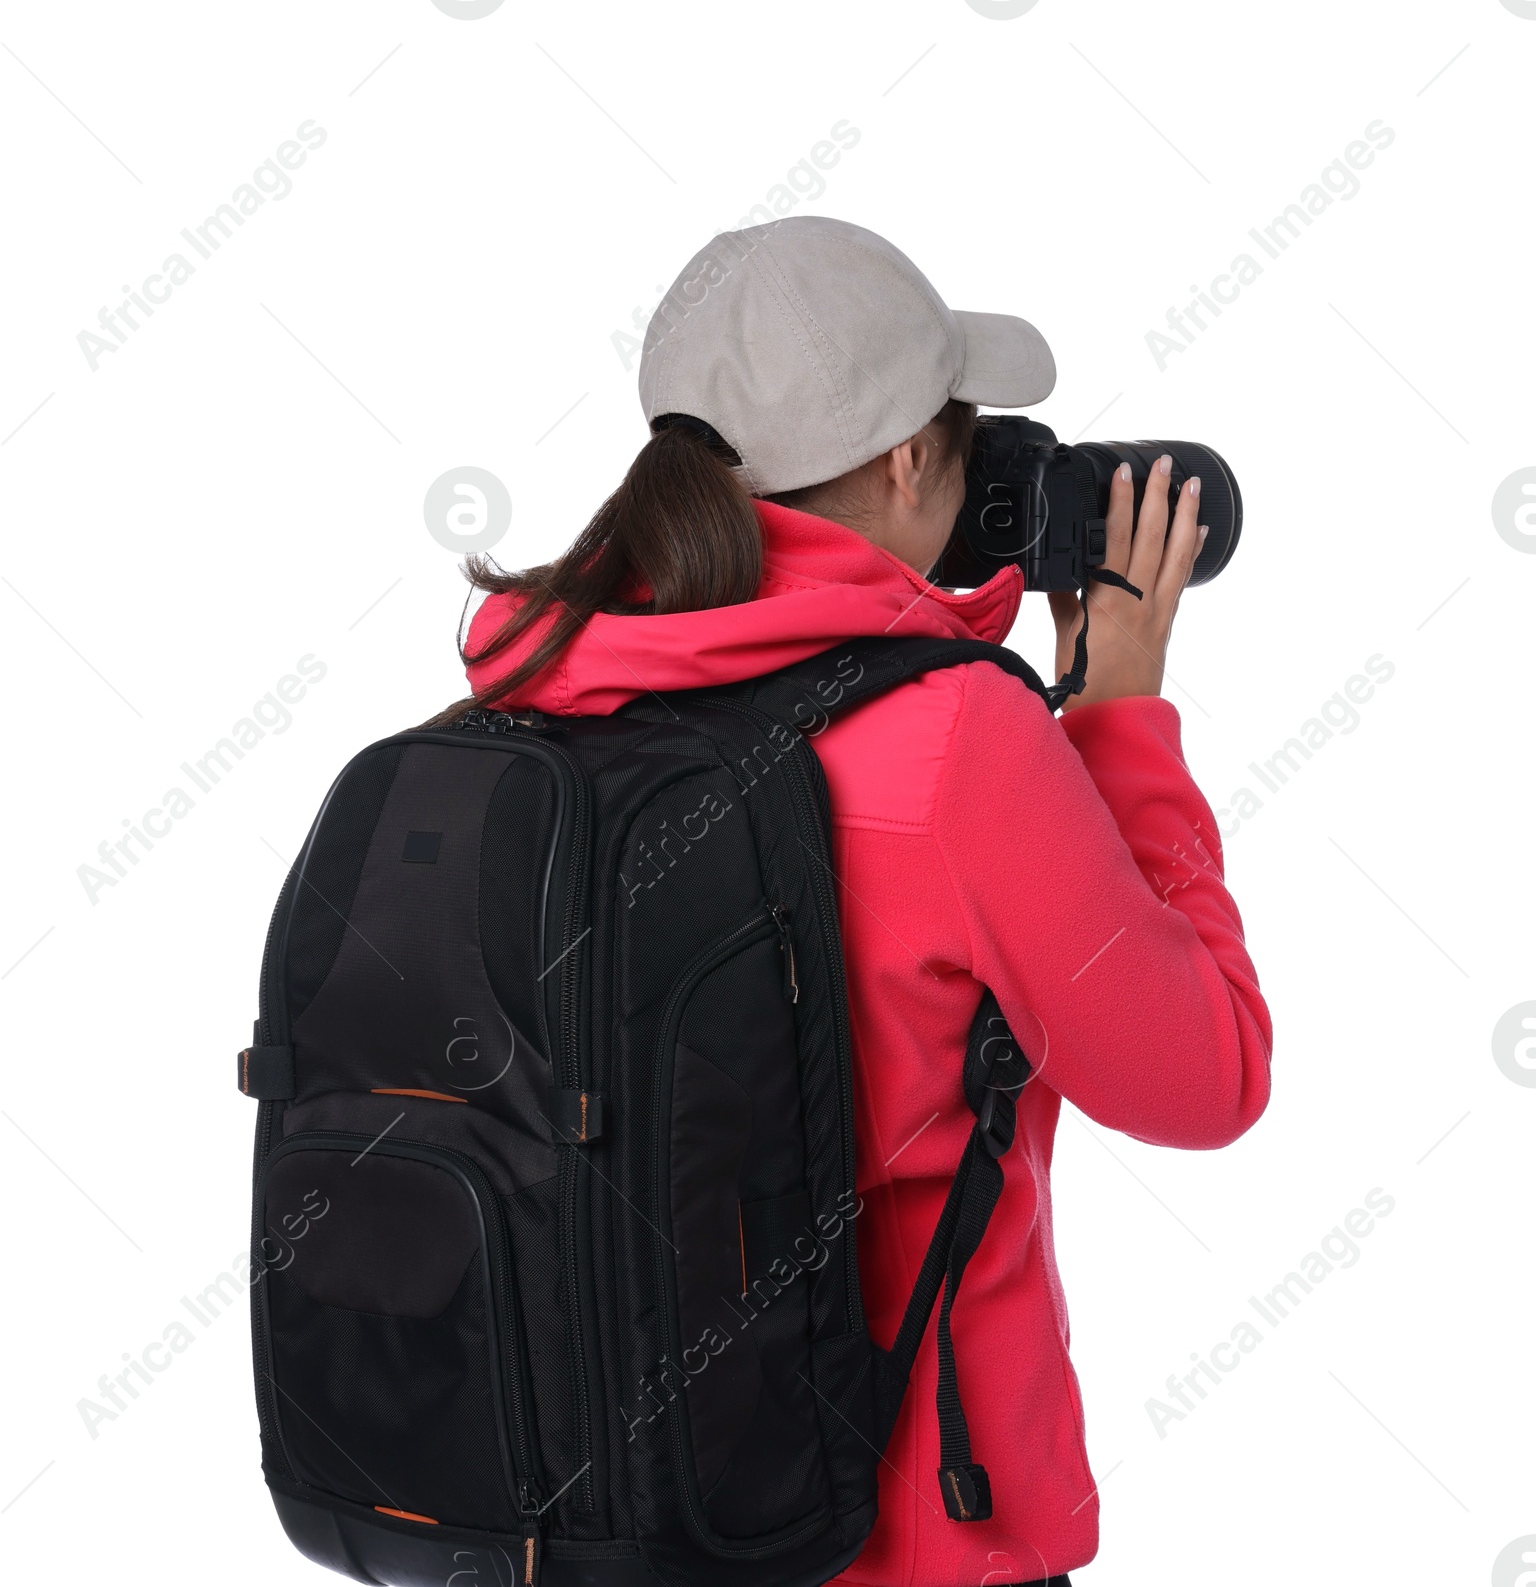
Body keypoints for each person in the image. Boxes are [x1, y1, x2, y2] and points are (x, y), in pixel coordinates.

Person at [459, 216, 1272, 1587]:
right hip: (898, 1536)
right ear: (908, 459)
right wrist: (1121, 716)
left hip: (594, 1522)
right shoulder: (958, 738)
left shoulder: (530, 693)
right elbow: (1207, 1075)